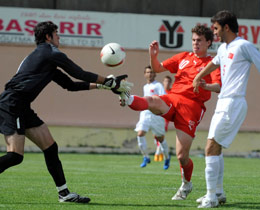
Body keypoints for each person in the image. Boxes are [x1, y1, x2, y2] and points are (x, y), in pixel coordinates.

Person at [0, 21, 132, 204]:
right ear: (48, 36)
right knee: (15, 156)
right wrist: (109, 82)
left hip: (21, 105)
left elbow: (70, 85)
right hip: (12, 104)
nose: (59, 37)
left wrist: (104, 85)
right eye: (56, 33)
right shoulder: (50, 53)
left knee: (50, 147)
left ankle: (64, 194)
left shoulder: (45, 59)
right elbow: (79, 73)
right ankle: (64, 193)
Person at [120, 25, 221, 200]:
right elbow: (158, 68)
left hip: (192, 107)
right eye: (194, 40)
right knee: (152, 100)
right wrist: (153, 56)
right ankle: (126, 97)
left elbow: (219, 86)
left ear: (209, 43)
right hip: (173, 98)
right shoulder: (183, 57)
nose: (195, 43)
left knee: (182, 156)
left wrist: (206, 86)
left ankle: (186, 184)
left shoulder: (213, 63)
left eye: (199, 41)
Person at [193, 10, 260, 208]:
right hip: (224, 102)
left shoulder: (244, 46)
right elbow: (214, 63)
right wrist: (198, 77)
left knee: (211, 147)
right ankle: (219, 193)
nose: (214, 32)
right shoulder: (223, 48)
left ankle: (211, 197)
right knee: (216, 147)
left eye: (216, 28)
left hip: (233, 102)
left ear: (226, 27)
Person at [134, 65, 171, 169]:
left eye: (151, 72)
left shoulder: (158, 85)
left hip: (156, 115)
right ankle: (146, 157)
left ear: (155, 74)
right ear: (145, 74)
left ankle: (167, 157)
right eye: (148, 72)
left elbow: (163, 98)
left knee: (160, 138)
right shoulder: (145, 87)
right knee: (140, 134)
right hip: (145, 114)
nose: (150, 74)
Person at [154, 75, 173, 162]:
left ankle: (158, 154)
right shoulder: (160, 91)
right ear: (163, 82)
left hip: (165, 117)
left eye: (168, 82)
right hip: (157, 116)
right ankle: (160, 152)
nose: (167, 83)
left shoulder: (172, 93)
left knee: (160, 135)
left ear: (170, 83)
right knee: (156, 136)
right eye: (165, 81)